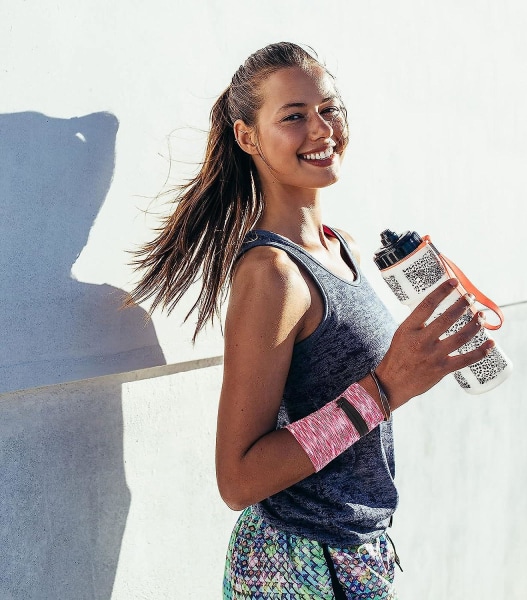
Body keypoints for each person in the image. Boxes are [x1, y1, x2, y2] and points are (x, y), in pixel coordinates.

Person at [127, 42, 493, 599]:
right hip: (292, 563)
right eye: (294, 116)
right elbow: (238, 478)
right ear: (248, 137)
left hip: (358, 551)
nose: (322, 129)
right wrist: (387, 386)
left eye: (330, 108)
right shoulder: (270, 273)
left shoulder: (340, 247)